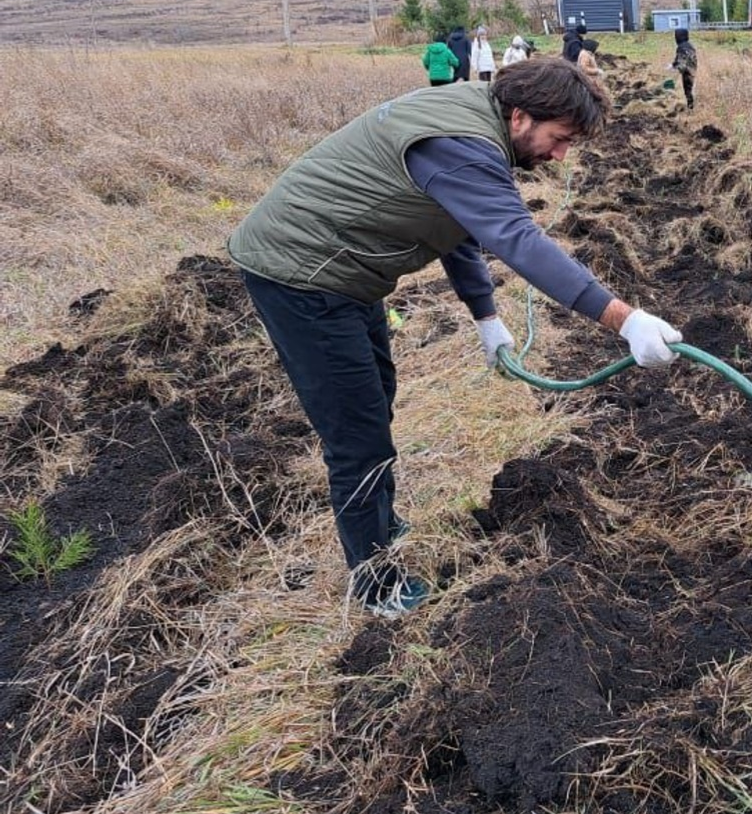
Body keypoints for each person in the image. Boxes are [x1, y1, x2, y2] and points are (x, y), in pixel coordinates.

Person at [227, 59, 684, 618]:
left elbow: (454, 225)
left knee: (377, 393)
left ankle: (377, 516)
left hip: (341, 272)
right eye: (559, 138)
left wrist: (486, 318)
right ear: (520, 115)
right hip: (301, 273)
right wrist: (624, 319)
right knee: (357, 434)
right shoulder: (463, 144)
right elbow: (517, 239)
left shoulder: (475, 118)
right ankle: (376, 586)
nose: (560, 155)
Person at [668, 26, 697, 109]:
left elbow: (681, 61)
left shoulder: (682, 47)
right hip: (692, 70)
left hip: (687, 72)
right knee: (690, 89)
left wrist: (674, 68)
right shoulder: (689, 46)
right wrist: (673, 65)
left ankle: (690, 107)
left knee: (687, 90)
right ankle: (690, 106)